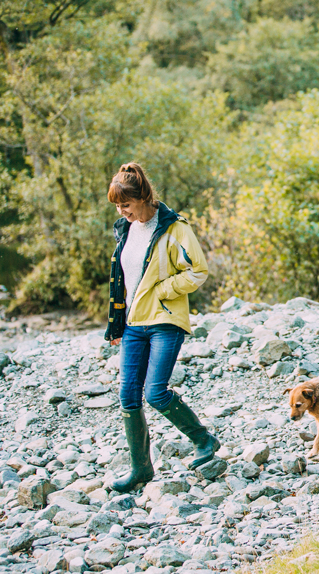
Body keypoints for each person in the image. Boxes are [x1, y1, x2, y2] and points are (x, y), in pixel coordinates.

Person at [104, 163, 219, 493]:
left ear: (142, 198)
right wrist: (115, 326)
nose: (121, 211)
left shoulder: (174, 227)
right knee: (128, 396)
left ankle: (204, 440)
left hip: (164, 320)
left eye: (125, 204)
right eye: (117, 206)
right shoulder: (125, 229)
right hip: (132, 325)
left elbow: (198, 270)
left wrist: (163, 290)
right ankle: (141, 469)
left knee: (155, 392)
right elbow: (123, 281)